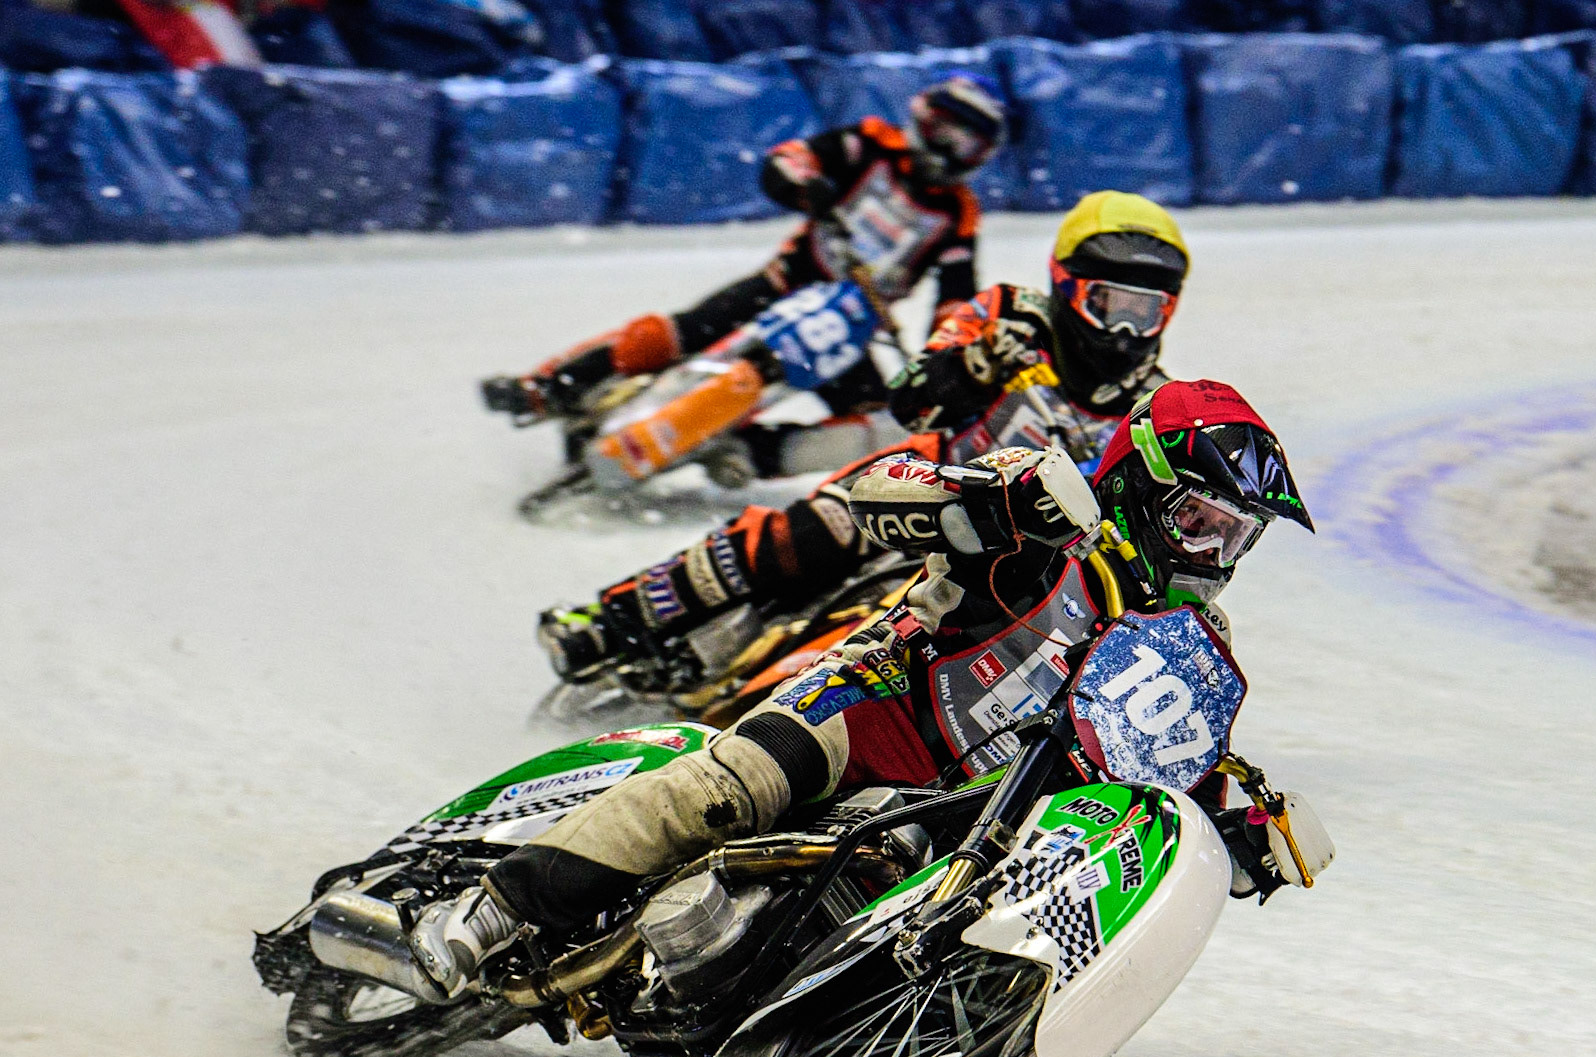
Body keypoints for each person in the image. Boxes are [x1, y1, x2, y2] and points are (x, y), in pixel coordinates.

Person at [412, 378, 1322, 996]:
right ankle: (492, 909)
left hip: (974, 814)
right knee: (727, 786)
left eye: (1235, 535)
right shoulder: (1050, 505)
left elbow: (1160, 762)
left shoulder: (1194, 641)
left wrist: (1238, 829)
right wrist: (993, 504)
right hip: (872, 709)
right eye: (1198, 521)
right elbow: (884, 485)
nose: (1213, 553)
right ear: (1136, 481)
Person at [536, 190, 1192, 693]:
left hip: (1019, 559)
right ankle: (612, 620)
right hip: (927, 483)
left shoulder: (1156, 407)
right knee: (801, 534)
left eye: (1145, 312)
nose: (1125, 332)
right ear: (1067, 286)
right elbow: (909, 398)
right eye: (1110, 305)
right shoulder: (1008, 314)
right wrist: (974, 365)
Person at [479, 75, 1006, 423]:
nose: (947, 151)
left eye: (965, 145)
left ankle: (758, 452)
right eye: (945, 132)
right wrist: (807, 186)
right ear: (922, 119)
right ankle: (551, 386)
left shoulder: (957, 214)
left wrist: (948, 354)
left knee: (876, 419)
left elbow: (956, 294)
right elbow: (789, 159)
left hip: (847, 326)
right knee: (679, 333)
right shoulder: (869, 144)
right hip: (784, 285)